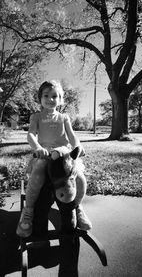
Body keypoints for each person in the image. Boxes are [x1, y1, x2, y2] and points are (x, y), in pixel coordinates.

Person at [16, 80, 92, 237]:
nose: (50, 99)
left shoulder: (64, 117)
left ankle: (78, 207)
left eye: (55, 96)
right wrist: (37, 147)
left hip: (64, 155)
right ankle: (29, 210)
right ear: (40, 98)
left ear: (61, 99)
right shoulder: (36, 117)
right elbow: (31, 134)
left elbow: (72, 136)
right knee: (38, 172)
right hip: (44, 153)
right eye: (46, 95)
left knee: (78, 176)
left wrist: (77, 147)